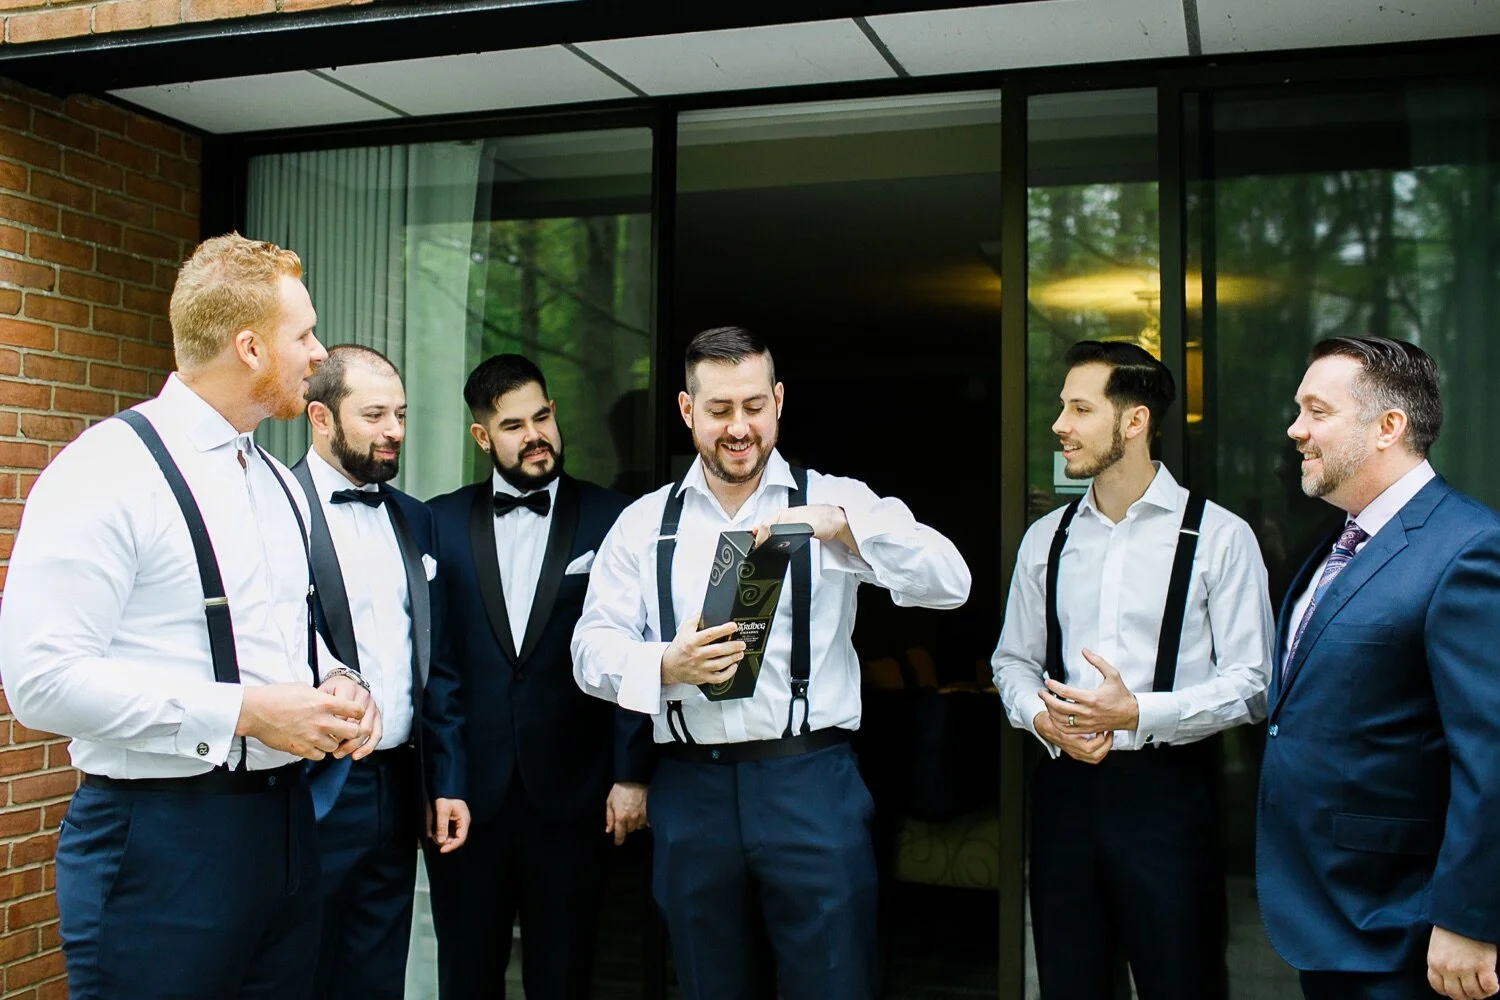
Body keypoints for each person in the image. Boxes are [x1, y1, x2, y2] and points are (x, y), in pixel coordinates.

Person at [0, 233, 381, 1000]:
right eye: (302, 334)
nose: (318, 355)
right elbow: (38, 683)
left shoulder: (274, 478)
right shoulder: (105, 470)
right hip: (157, 847)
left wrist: (338, 680)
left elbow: (282, 629)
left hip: (284, 834)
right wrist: (242, 711)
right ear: (248, 346)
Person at [572, 325, 972, 1000]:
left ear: (779, 401)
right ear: (686, 410)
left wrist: (842, 526)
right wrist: (665, 662)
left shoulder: (836, 497)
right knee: (708, 986)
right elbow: (589, 651)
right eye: (720, 409)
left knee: (834, 981)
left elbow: (950, 581)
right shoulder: (645, 524)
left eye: (753, 406)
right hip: (691, 789)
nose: (738, 427)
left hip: (808, 781)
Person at [992, 340, 1273, 1000]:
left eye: (1079, 408)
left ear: (1134, 420)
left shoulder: (1219, 536)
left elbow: (1255, 683)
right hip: (1063, 796)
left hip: (1169, 800)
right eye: (1063, 407)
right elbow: (1012, 660)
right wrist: (1040, 717)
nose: (1059, 424)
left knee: (1185, 982)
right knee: (1071, 983)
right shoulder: (1046, 539)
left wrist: (1139, 713)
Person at [1258, 337, 1500, 1000]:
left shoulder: (1469, 549)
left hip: (1408, 930)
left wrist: (1469, 917)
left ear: (1388, 427)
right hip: (1330, 913)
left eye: (1317, 411)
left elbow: (1491, 752)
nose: (1295, 429)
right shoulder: (1337, 541)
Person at [423, 354, 654, 999]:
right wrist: (444, 782)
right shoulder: (436, 521)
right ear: (482, 437)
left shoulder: (615, 519)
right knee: (466, 979)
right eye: (514, 424)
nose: (535, 435)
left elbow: (634, 653)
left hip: (576, 799)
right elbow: (437, 668)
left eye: (543, 416)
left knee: (565, 977)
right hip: (467, 804)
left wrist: (629, 772)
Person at [290, 344, 463, 1000]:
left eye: (400, 414)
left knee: (375, 975)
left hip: (399, 789)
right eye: (373, 415)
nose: (393, 429)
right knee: (300, 968)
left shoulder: (414, 518)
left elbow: (436, 661)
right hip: (310, 788)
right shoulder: (276, 508)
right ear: (321, 418)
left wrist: (444, 780)